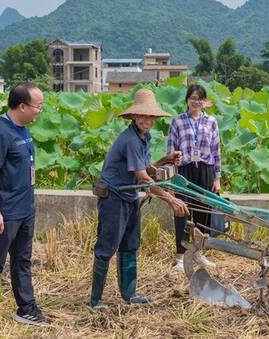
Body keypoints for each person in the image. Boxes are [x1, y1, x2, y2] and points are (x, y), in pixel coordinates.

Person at [89, 88, 189, 308]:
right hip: (115, 196)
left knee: (130, 245)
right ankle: (95, 300)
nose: (147, 120)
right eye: (142, 116)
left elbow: (146, 168)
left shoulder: (144, 137)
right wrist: (171, 200)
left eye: (150, 116)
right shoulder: (131, 140)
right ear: (134, 116)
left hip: (129, 195)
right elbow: (143, 178)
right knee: (107, 247)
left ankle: (129, 295)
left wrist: (165, 159)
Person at [0, 82, 49, 333]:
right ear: (22, 106)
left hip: (25, 208)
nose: (40, 110)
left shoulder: (23, 129)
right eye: (38, 106)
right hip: (4, 212)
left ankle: (26, 309)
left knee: (23, 261)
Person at [167, 84, 222, 272]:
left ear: (204, 102)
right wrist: (172, 178)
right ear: (187, 100)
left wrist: (217, 178)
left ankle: (199, 253)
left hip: (205, 170)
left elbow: (216, 151)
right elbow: (170, 150)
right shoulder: (177, 121)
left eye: (200, 98)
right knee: (182, 211)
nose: (196, 101)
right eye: (192, 98)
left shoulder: (211, 122)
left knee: (204, 211)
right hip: (185, 170)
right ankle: (180, 257)